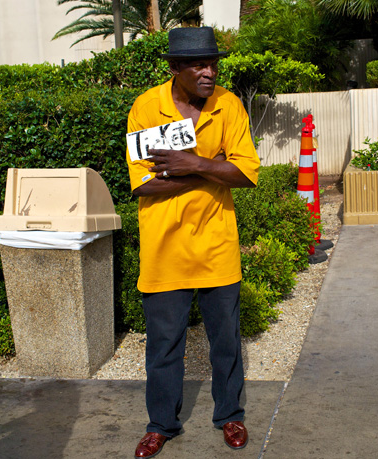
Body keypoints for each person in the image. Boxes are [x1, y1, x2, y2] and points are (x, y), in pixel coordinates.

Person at [126, 27, 260, 457]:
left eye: (213, 63)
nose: (209, 72)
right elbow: (143, 185)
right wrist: (207, 168)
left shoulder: (228, 105)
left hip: (217, 244)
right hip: (165, 250)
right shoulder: (147, 108)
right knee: (164, 346)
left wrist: (189, 164)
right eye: (198, 65)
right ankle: (160, 424)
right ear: (175, 68)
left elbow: (245, 174)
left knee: (226, 340)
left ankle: (230, 416)